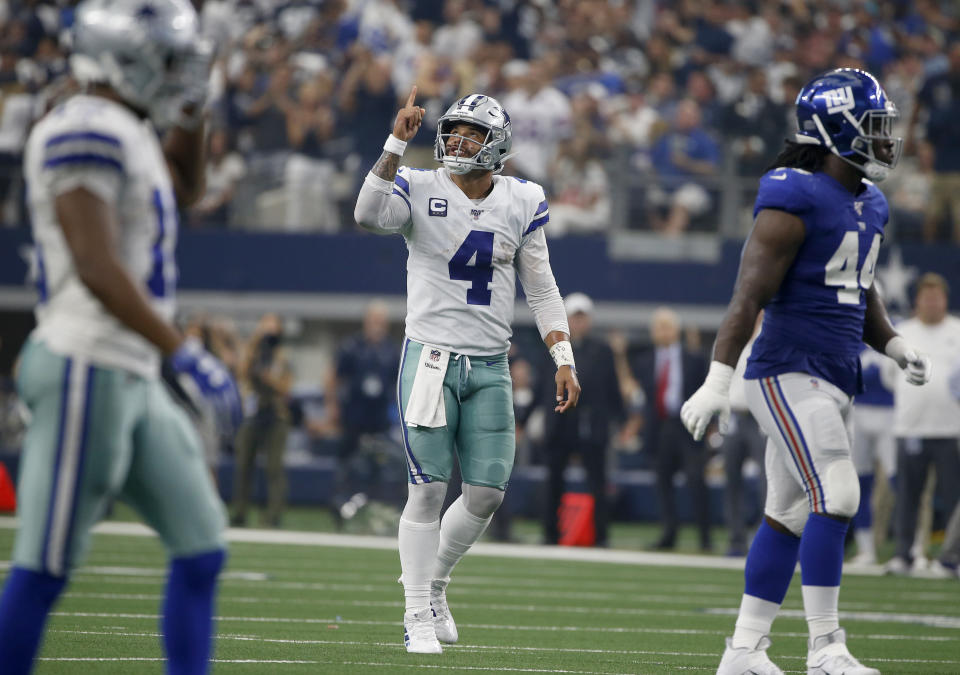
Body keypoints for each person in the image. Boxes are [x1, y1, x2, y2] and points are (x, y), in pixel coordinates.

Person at [0, 1, 242, 674]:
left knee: (201, 548)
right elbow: (98, 267)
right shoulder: (81, 126)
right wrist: (184, 352)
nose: (175, 73)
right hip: (86, 361)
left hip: (128, 369)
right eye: (168, 59)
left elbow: (188, 187)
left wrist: (193, 106)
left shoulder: (126, 127)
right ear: (125, 55)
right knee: (45, 567)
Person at [679, 68, 931, 675]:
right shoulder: (795, 195)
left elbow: (858, 288)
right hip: (784, 371)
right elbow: (748, 297)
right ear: (837, 129)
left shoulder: (870, 202)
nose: (887, 139)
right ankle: (826, 648)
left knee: (789, 513)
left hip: (834, 373)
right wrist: (718, 379)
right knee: (839, 491)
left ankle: (742, 651)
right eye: (875, 127)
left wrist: (893, 344)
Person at [354, 87, 580, 654]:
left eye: (470, 133)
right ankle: (415, 616)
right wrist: (393, 145)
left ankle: (434, 586)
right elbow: (366, 215)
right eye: (453, 130)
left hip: (489, 364)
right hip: (430, 359)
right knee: (427, 491)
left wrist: (563, 355)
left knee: (485, 495)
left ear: (496, 144)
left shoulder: (521, 199)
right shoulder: (418, 182)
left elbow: (542, 285)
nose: (456, 140)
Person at [882, 273, 960, 575]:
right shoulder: (902, 333)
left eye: (936, 297)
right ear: (917, 301)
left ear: (945, 300)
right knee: (908, 496)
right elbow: (891, 377)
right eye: (926, 297)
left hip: (950, 428)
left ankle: (951, 557)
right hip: (910, 427)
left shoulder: (957, 331)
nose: (931, 303)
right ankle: (904, 554)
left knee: (954, 498)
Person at [541, 293, 622, 548]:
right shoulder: (552, 349)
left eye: (582, 317)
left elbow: (612, 389)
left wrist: (623, 421)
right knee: (553, 480)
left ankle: (602, 535)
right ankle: (550, 534)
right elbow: (540, 386)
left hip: (591, 425)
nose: (578, 323)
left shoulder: (602, 350)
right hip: (560, 422)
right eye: (574, 318)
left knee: (598, 482)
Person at [318, 300, 403, 524]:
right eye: (374, 320)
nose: (378, 325)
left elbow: (400, 382)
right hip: (354, 416)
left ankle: (370, 510)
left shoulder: (391, 350)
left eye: (381, 321)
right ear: (367, 321)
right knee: (347, 464)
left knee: (379, 466)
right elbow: (332, 376)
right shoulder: (352, 346)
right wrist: (332, 405)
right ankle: (339, 507)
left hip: (379, 419)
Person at [634, 307, 710, 551]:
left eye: (666, 326)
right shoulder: (645, 361)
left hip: (687, 426)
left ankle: (704, 538)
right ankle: (669, 534)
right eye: (658, 327)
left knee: (696, 481)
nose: (662, 332)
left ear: (677, 329)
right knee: (662, 484)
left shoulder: (695, 359)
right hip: (660, 427)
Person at [230, 313, 293, 529]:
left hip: (275, 414)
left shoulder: (282, 355)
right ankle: (240, 512)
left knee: (274, 468)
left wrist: (269, 379)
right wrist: (255, 340)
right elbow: (241, 373)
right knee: (243, 465)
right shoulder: (254, 352)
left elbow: (287, 388)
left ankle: (274, 515)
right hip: (253, 414)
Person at [847, 344, 895, 567]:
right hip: (857, 411)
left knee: (898, 482)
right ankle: (866, 549)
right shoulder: (848, 328)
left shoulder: (898, 329)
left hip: (890, 413)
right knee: (859, 482)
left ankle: (911, 548)